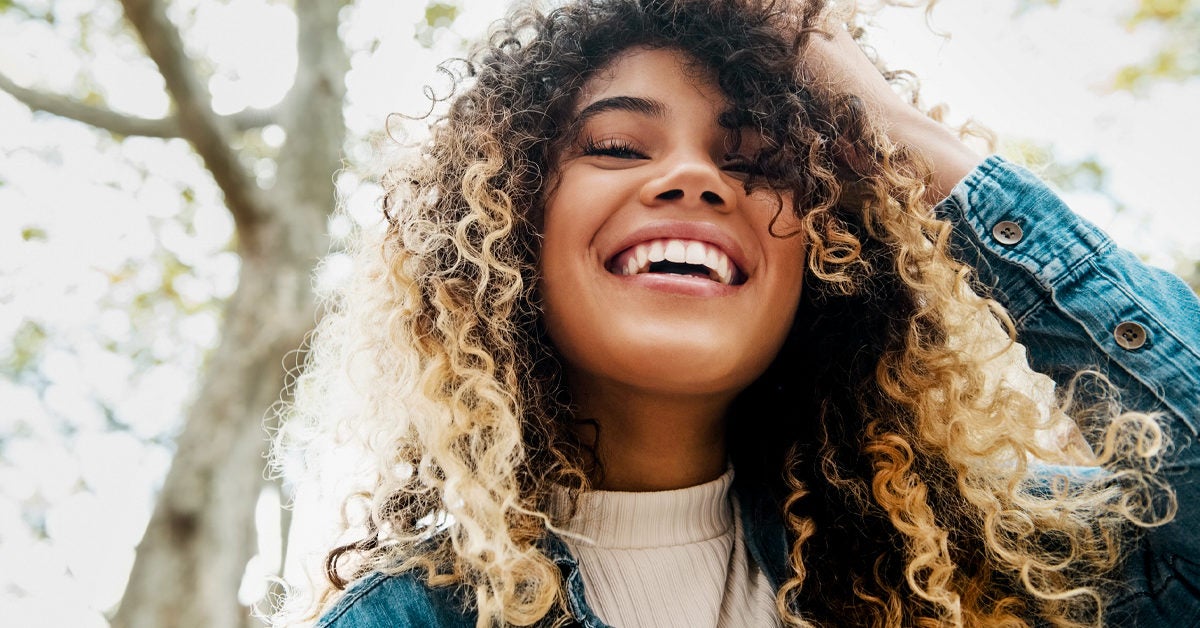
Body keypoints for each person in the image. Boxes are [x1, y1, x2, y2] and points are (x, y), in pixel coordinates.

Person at [271, 0, 1200, 626]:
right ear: (510, 227)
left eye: (757, 161)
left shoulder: (987, 564)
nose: (693, 178)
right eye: (618, 144)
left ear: (833, 262)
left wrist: (902, 136)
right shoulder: (404, 617)